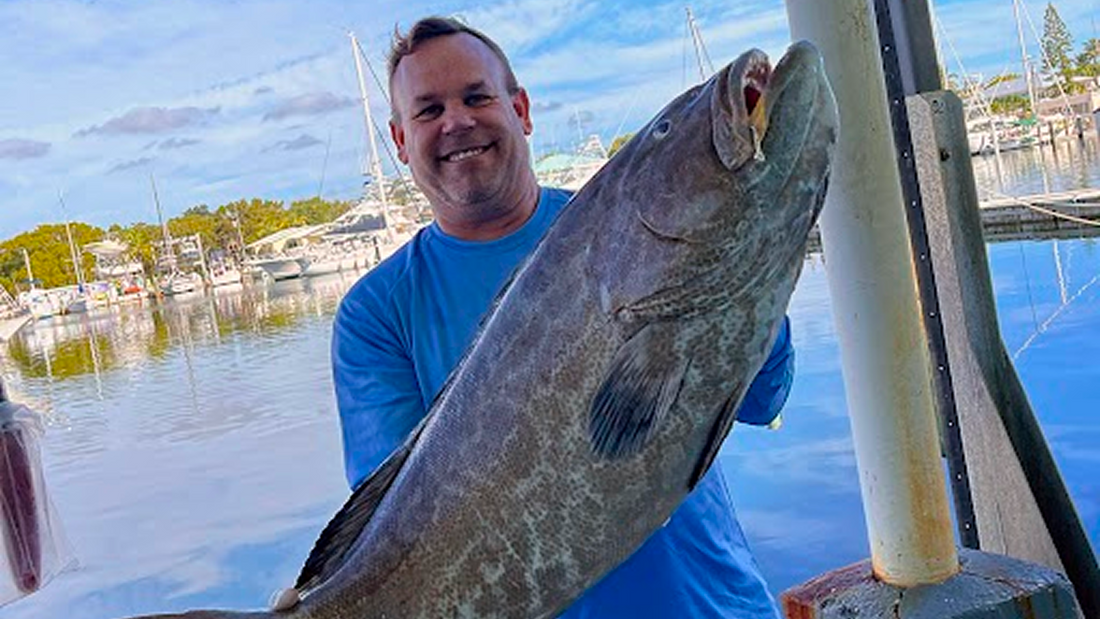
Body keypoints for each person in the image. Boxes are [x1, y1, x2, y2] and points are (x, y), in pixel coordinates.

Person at [330, 16, 794, 618]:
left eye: (477, 96)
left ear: (520, 109)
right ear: (399, 142)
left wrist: (750, 260)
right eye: (428, 110)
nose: (457, 121)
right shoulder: (375, 315)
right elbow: (397, 544)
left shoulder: (629, 220)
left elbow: (763, 400)